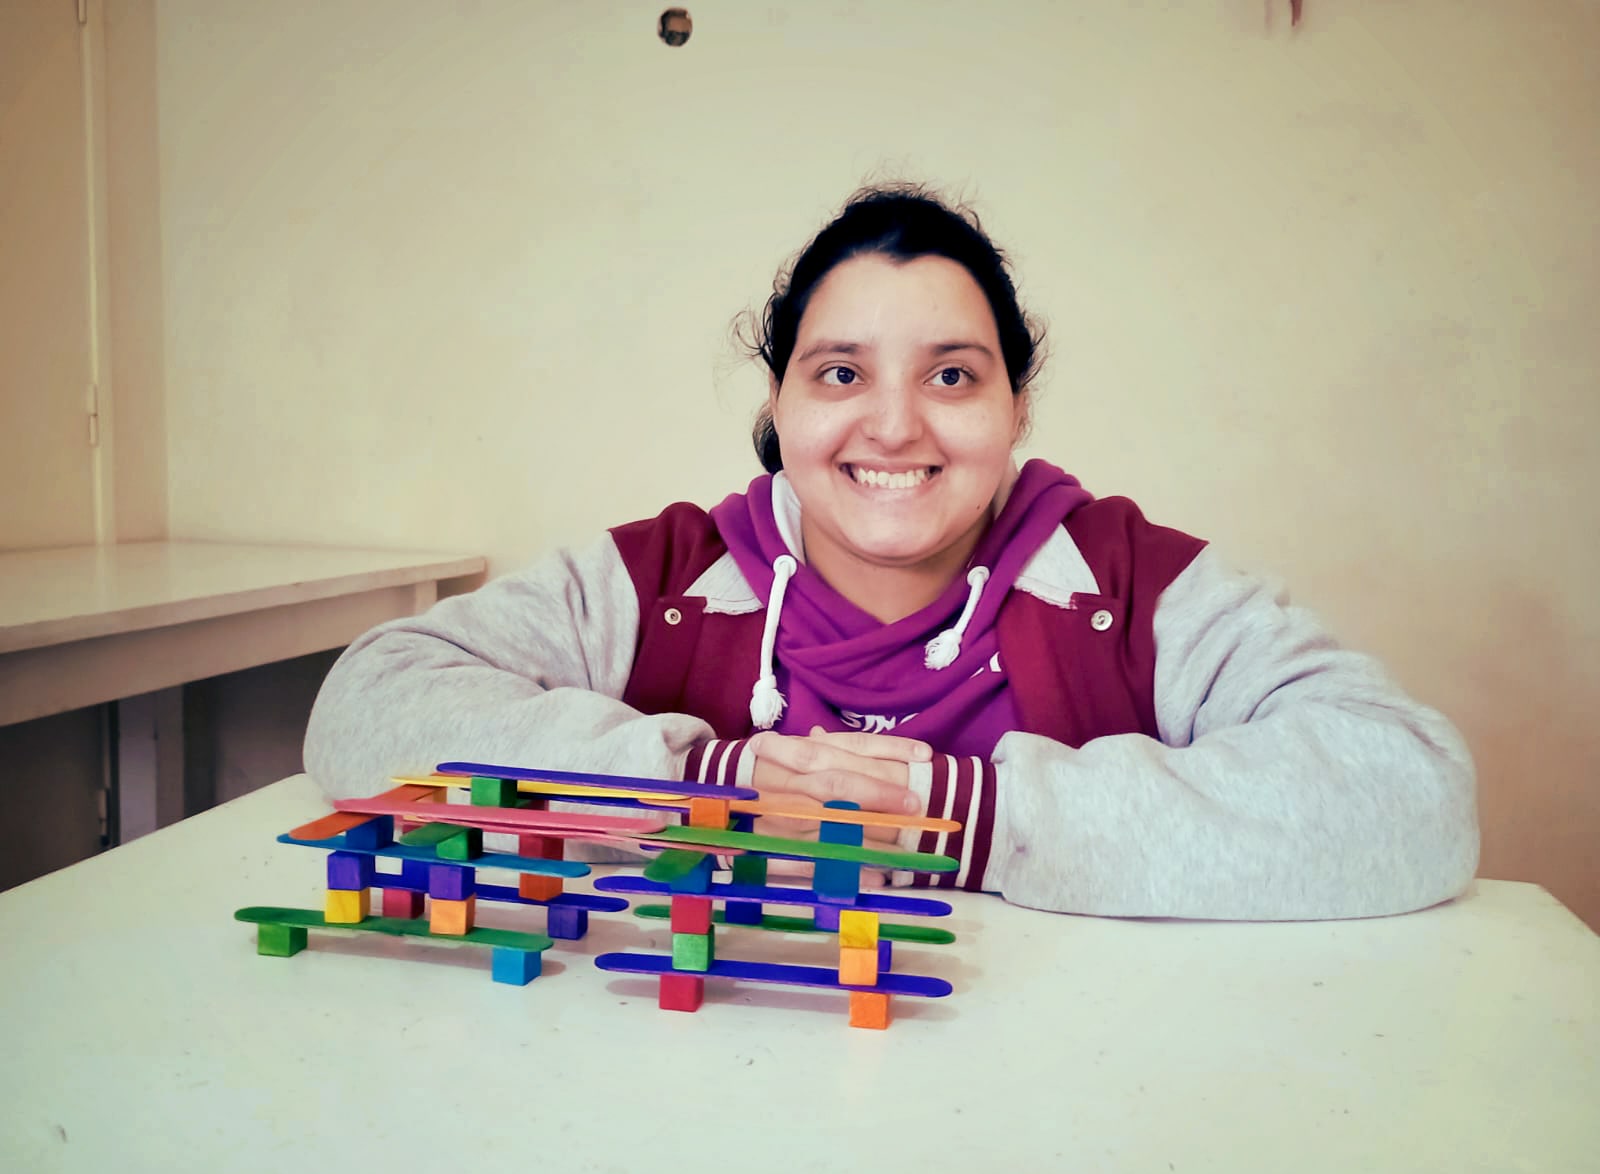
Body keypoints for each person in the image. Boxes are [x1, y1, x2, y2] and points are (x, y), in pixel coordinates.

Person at [304, 183, 1478, 920]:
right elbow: (368, 703)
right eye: (840, 373)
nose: (894, 426)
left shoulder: (1132, 583)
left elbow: (1413, 793)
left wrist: (970, 812)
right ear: (780, 403)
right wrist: (706, 785)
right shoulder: (662, 580)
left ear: (1017, 406)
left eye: (952, 375)